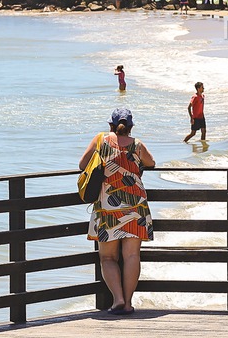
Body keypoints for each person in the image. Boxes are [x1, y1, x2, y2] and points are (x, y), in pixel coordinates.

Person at [80, 108, 156, 315]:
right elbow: (151, 163)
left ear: (110, 126)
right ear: (130, 126)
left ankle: (118, 300)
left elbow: (82, 164)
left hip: (107, 207)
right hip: (136, 206)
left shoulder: (100, 140)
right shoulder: (137, 145)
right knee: (132, 255)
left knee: (107, 258)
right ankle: (129, 302)